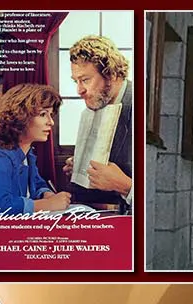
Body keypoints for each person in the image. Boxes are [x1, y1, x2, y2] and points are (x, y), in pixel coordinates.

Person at [0, 83, 72, 216]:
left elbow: (36, 182)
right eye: (43, 114)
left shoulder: (26, 152)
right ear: (21, 117)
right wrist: (48, 204)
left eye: (51, 114)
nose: (51, 122)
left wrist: (47, 194)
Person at [61, 35, 134, 214]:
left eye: (85, 80)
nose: (79, 90)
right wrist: (80, 166)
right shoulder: (99, 102)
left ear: (112, 74)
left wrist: (126, 186)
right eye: (75, 81)